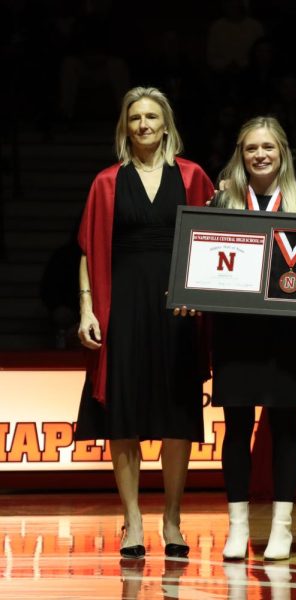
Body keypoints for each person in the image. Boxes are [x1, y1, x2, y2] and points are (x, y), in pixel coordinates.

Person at [75, 86, 214, 558]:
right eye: (135, 118)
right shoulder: (107, 182)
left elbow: (215, 243)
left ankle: (172, 521)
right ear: (125, 127)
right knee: (124, 418)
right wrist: (87, 307)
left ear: (166, 124)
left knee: (178, 419)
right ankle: (133, 520)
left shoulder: (194, 177)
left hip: (179, 311)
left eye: (152, 116)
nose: (144, 125)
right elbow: (88, 250)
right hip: (124, 307)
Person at [209, 117, 296, 561]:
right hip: (236, 334)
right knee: (237, 429)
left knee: (285, 428)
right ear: (240, 154)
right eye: (251, 148)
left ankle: (282, 526)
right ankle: (237, 527)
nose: (260, 155)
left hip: (287, 335)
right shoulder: (222, 200)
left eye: (268, 147)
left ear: (283, 152)